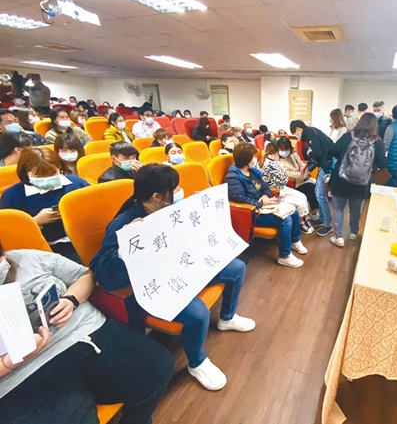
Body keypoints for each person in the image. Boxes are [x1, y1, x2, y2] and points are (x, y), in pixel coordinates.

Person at [91, 164, 255, 390]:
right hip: (155, 282)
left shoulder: (169, 209)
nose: (179, 191)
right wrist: (129, 247)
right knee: (198, 313)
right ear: (157, 196)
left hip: (181, 267)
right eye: (174, 189)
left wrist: (202, 210)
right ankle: (197, 362)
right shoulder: (125, 224)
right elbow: (104, 272)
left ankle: (227, 317)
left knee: (236, 268)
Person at [0, 243, 175, 424]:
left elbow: (85, 275)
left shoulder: (26, 258)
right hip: (23, 375)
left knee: (157, 367)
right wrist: (8, 363)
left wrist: (71, 300)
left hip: (83, 334)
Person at [0, 147, 88, 262]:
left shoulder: (77, 184)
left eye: (52, 173)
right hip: (40, 249)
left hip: (80, 239)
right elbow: (9, 233)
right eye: (39, 176)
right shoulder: (12, 195)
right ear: (26, 173)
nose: (47, 179)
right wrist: (35, 221)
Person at [227, 143, 308, 267]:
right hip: (252, 212)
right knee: (285, 220)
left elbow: (265, 187)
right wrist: (260, 203)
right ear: (246, 159)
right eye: (253, 157)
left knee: (294, 211)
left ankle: (295, 241)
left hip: (264, 205)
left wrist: (265, 195)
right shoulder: (233, 176)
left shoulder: (253, 171)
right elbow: (238, 198)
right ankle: (285, 256)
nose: (255, 159)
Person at [328, 113, 386, 247]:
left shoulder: (348, 136)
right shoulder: (377, 142)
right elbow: (382, 164)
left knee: (338, 208)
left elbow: (332, 151)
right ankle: (353, 233)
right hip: (361, 182)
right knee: (355, 208)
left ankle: (339, 237)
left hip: (341, 179)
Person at [290, 120, 334, 237]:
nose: (297, 136)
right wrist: (308, 167)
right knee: (319, 193)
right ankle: (323, 219)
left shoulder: (309, 132)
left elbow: (317, 153)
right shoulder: (313, 131)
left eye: (295, 133)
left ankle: (327, 224)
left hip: (327, 166)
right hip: (325, 164)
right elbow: (318, 157)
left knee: (320, 195)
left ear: (298, 129)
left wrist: (308, 152)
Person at [261, 142, 314, 234]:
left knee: (303, 196)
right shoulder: (268, 165)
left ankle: (305, 217)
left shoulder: (275, 162)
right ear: (276, 153)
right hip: (276, 192)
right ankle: (301, 222)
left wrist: (285, 177)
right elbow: (284, 178)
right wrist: (285, 177)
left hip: (282, 188)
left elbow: (284, 176)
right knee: (300, 201)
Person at [276, 137, 318, 218]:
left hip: (303, 179)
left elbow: (302, 164)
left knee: (318, 185)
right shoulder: (279, 162)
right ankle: (313, 213)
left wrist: (304, 170)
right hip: (293, 183)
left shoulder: (293, 155)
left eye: (286, 149)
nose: (284, 152)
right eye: (282, 150)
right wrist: (305, 174)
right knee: (310, 188)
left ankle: (318, 210)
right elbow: (292, 175)